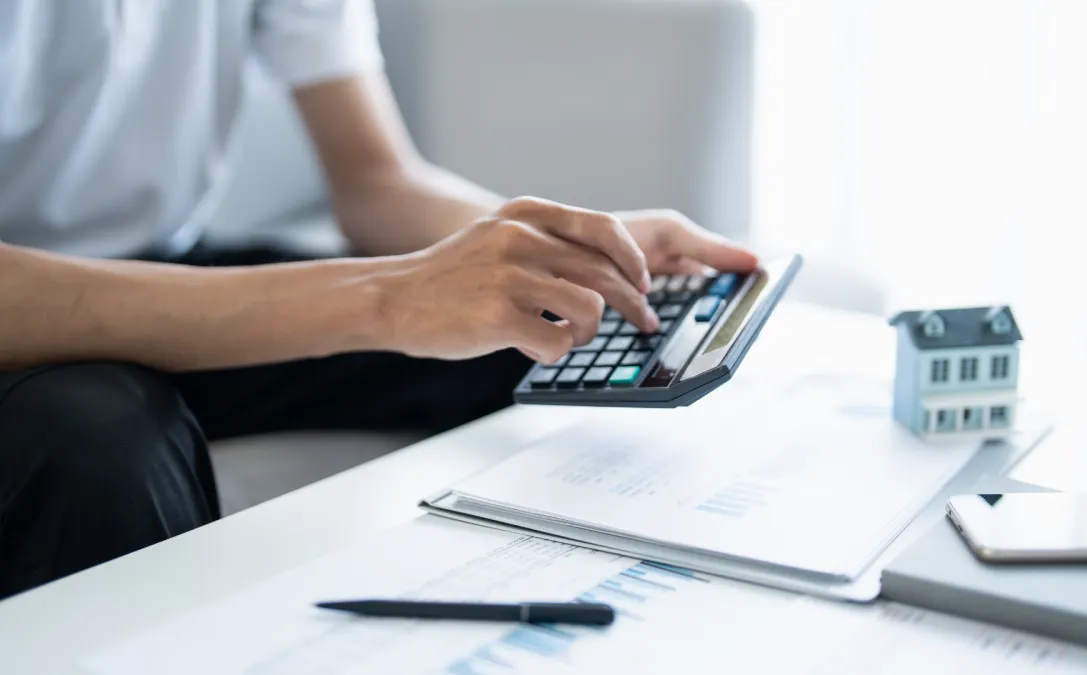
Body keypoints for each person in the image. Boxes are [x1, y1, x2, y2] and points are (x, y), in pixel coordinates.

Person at [0, 0, 758, 599]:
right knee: (101, 444)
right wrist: (389, 298)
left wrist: (567, 257)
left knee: (531, 331)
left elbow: (376, 181)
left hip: (164, 264)